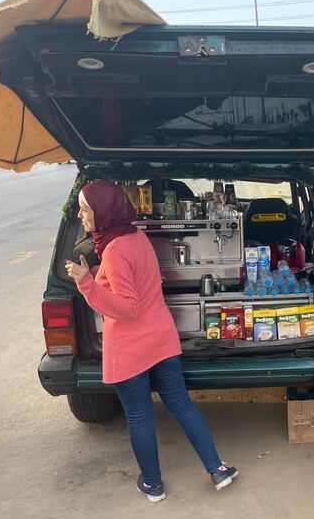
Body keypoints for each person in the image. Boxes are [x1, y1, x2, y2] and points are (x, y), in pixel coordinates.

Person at [64, 180, 237, 502]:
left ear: (103, 211)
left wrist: (87, 283)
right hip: (160, 338)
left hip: (131, 347)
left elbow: (127, 308)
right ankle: (218, 470)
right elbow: (136, 276)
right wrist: (99, 274)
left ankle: (152, 484)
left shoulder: (114, 250)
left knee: (140, 416)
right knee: (181, 404)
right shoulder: (134, 235)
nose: (80, 215)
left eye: (85, 209)